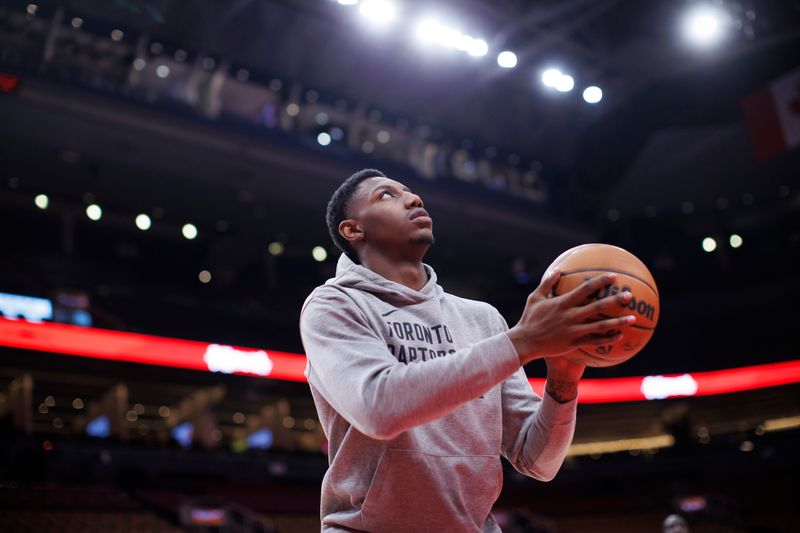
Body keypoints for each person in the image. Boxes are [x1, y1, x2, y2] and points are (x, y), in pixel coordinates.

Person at [299, 169, 636, 532]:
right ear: (353, 230)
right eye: (386, 195)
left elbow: (539, 461)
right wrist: (523, 342)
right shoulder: (333, 305)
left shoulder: (483, 319)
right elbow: (379, 406)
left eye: (411, 192)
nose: (414, 199)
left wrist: (564, 381)